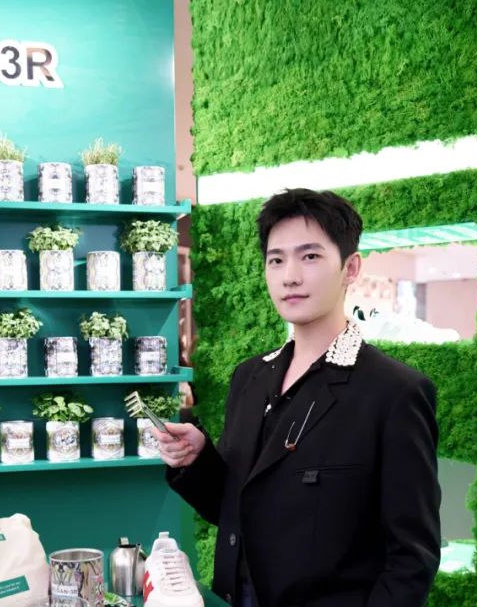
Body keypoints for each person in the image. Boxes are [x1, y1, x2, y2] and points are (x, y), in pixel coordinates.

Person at [154, 189, 441, 607]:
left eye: (309, 257)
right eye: (276, 260)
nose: (290, 276)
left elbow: (411, 558)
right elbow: (237, 510)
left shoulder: (394, 392)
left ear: (350, 268)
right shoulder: (250, 377)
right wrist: (199, 460)